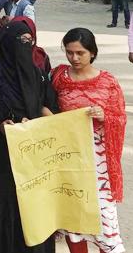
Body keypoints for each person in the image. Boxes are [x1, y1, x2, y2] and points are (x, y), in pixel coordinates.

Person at [0, 22, 57, 253]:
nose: (25, 45)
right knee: (5, 208)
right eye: (20, 40)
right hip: (0, 157)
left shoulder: (38, 75)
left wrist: (36, 121)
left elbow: (51, 111)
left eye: (29, 41)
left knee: (32, 211)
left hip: (32, 158)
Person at [52, 28, 126, 253]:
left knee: (104, 216)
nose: (74, 58)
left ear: (92, 53)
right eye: (69, 52)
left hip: (99, 161)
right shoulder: (58, 77)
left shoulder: (108, 82)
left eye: (80, 53)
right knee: (74, 216)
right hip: (68, 157)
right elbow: (45, 103)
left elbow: (120, 118)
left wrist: (106, 117)